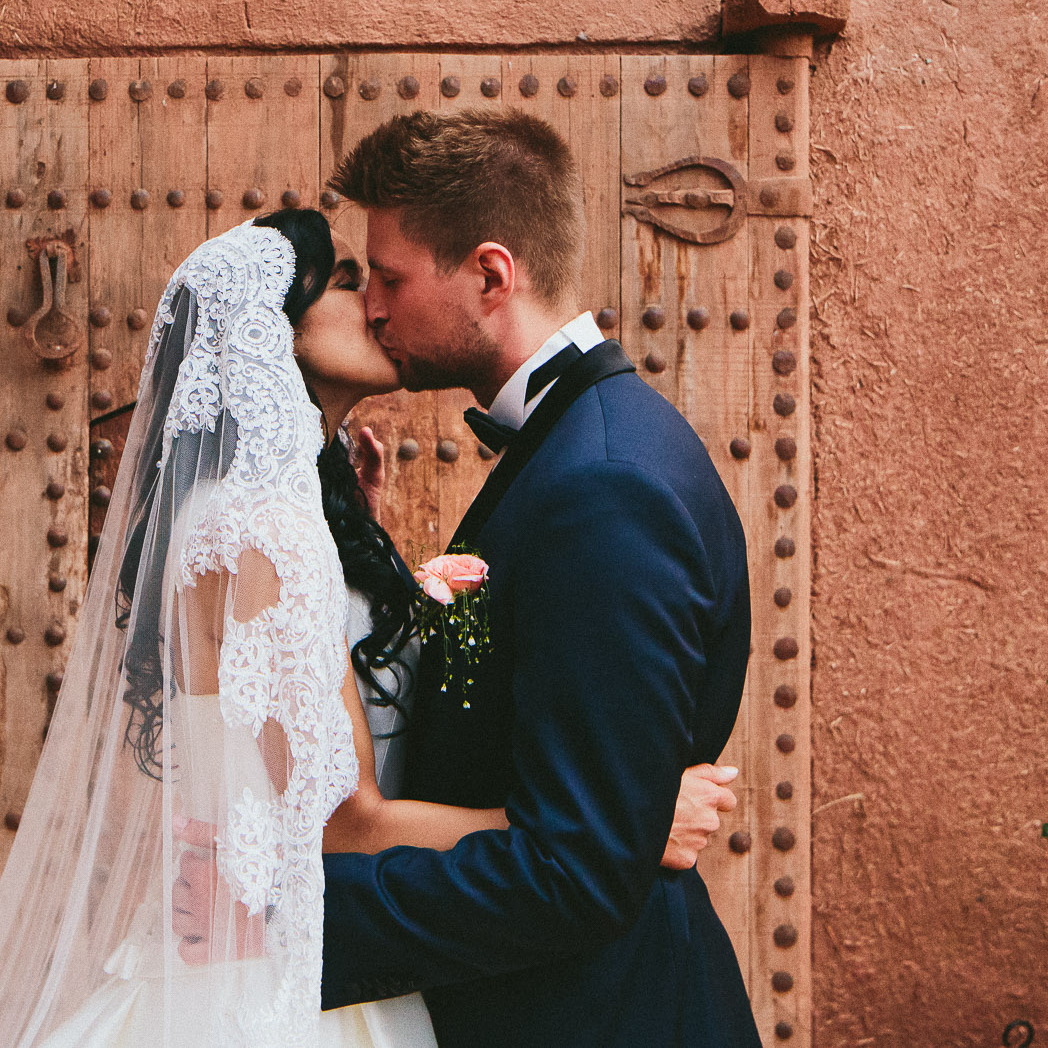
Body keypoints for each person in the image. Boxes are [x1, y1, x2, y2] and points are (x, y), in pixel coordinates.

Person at [0, 208, 739, 1048]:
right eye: (349, 284)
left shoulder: (291, 518)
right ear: (269, 335)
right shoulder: (258, 527)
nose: (378, 307)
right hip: (282, 985)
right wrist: (624, 823)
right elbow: (340, 819)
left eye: (383, 280)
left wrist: (367, 568)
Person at [318, 108, 763, 1048]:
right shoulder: (581, 450)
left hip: (596, 1016)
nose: (373, 307)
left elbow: (575, 875)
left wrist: (287, 919)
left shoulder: (600, 482)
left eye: (391, 277)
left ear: (489, 274)